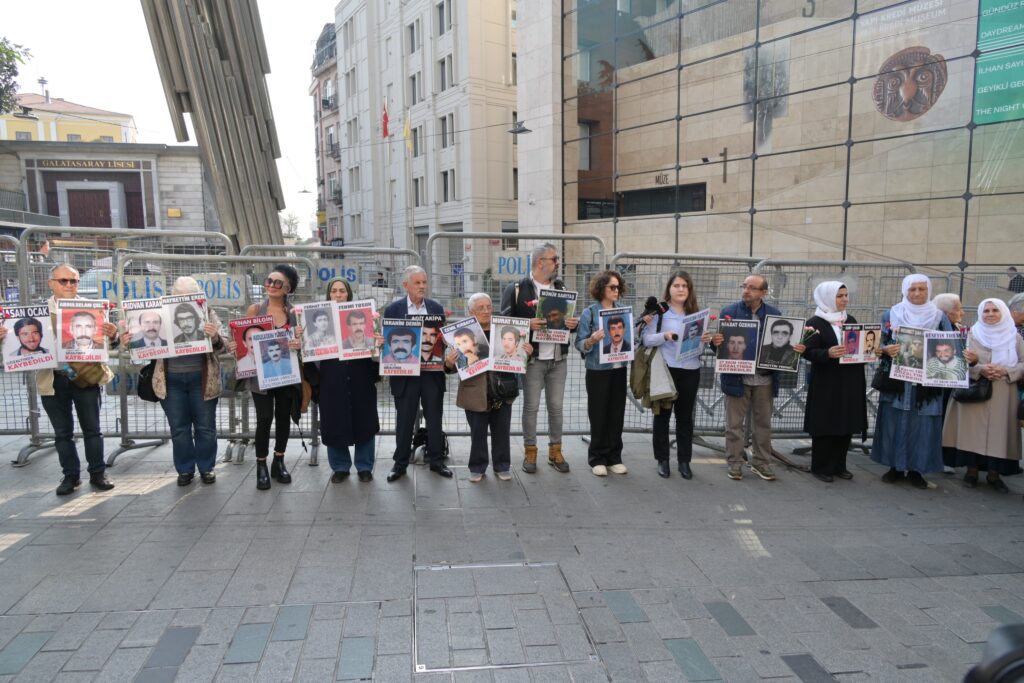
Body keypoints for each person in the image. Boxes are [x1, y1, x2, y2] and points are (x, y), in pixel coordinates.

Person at [0, 263, 117, 494]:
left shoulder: (92, 309)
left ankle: (98, 473)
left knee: (92, 429)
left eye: (73, 280)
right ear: (51, 283)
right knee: (62, 433)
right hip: (52, 380)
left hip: (87, 377)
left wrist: (112, 336)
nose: (69, 285)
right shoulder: (36, 314)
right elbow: (14, 347)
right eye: (64, 280)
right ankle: (70, 477)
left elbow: (108, 344)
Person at [122, 276, 223, 486]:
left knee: (205, 426)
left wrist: (214, 337)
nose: (184, 299)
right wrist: (128, 341)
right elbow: (143, 344)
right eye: (179, 296)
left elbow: (224, 344)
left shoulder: (207, 313)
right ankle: (185, 469)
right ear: (171, 295)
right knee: (179, 427)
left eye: (190, 296)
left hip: (202, 379)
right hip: (171, 380)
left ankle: (206, 467)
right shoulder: (158, 315)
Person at [712, 274, 805, 482]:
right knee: (734, 425)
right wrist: (715, 342)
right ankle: (735, 463)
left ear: (763, 292)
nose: (746, 291)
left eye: (752, 288)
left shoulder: (774, 315)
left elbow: (782, 346)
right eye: (744, 286)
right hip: (737, 378)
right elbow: (720, 347)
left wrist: (795, 349)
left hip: (764, 379)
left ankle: (761, 463)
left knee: (762, 425)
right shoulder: (729, 312)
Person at [500, 243, 579, 474]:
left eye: (557, 259)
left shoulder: (561, 286)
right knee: (531, 407)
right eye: (554, 259)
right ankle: (530, 452)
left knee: (556, 408)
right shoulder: (516, 289)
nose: (558, 262)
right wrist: (527, 325)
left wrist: (573, 324)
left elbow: (568, 323)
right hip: (532, 360)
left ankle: (555, 451)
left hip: (558, 358)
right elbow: (503, 326)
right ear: (539, 262)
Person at [871, 274, 953, 489]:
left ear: (929, 291)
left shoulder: (939, 317)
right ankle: (895, 467)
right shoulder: (892, 314)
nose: (917, 293)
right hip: (897, 382)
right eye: (912, 289)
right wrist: (887, 349)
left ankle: (917, 469)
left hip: (926, 384)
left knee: (923, 424)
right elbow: (879, 346)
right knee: (894, 421)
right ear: (904, 290)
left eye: (922, 289)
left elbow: (950, 347)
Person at [226, 264, 303, 490]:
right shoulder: (255, 309)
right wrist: (235, 347)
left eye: (277, 283)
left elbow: (302, 345)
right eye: (268, 281)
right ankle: (261, 464)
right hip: (260, 376)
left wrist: (298, 343)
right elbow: (243, 340)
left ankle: (278, 461)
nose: (270, 285)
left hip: (286, 374)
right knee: (264, 418)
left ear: (287, 288)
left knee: (283, 418)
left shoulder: (294, 313)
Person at [942, 299, 1024, 492]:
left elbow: (1022, 363)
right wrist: (980, 369)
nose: (990, 314)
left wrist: (1005, 371)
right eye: (986, 310)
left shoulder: (1015, 338)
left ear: (1003, 312)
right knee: (972, 434)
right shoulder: (971, 335)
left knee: (999, 435)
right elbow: (956, 362)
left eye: (995, 310)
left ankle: (994, 475)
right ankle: (972, 472)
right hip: (975, 392)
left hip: (1004, 393)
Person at [642, 270, 713, 479]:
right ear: (669, 289)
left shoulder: (696, 314)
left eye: (684, 286)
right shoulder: (660, 313)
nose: (681, 289)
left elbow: (699, 347)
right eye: (677, 286)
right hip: (666, 369)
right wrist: (664, 336)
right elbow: (646, 340)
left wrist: (704, 340)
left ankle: (684, 461)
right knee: (662, 416)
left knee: (685, 418)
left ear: (689, 290)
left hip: (690, 369)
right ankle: (662, 460)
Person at [384, 265, 452, 481]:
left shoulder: (435, 308)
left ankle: (436, 460)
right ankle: (400, 463)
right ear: (406, 285)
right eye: (417, 283)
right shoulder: (393, 310)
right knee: (404, 420)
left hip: (432, 375)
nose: (422, 286)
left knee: (434, 418)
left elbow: (441, 343)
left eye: (424, 282)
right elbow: (388, 343)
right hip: (404, 376)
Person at [309, 277, 379, 483]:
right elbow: (309, 359)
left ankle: (364, 466)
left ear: (349, 293)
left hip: (360, 378)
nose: (338, 295)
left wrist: (377, 342)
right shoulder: (318, 321)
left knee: (364, 420)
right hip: (331, 380)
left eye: (342, 291)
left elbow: (374, 353)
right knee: (334, 421)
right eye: (334, 291)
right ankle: (340, 467)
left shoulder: (362, 318)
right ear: (328, 294)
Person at [447, 293, 521, 482]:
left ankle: (502, 465)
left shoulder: (502, 329)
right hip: (475, 391)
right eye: (481, 308)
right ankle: (477, 467)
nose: (486, 311)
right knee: (477, 432)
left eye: (489, 306)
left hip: (502, 388)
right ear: (471, 312)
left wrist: (524, 351)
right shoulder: (462, 334)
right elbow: (451, 368)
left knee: (502, 431)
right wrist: (448, 362)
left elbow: (517, 356)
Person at [802, 281, 866, 483]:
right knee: (825, 423)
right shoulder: (815, 323)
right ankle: (821, 466)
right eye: (840, 296)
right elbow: (807, 351)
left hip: (850, 380)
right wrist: (827, 353)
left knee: (845, 422)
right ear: (827, 298)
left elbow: (860, 347)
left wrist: (873, 351)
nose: (845, 299)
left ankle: (839, 465)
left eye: (846, 295)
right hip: (827, 382)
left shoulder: (851, 320)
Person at [575, 270, 630, 476]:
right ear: (601, 289)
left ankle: (614, 457)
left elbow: (632, 340)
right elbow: (579, 343)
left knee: (617, 414)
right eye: (612, 287)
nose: (616, 291)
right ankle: (597, 457)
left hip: (619, 369)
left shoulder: (623, 312)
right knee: (598, 413)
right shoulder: (590, 312)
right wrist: (591, 340)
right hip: (598, 370)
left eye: (618, 287)